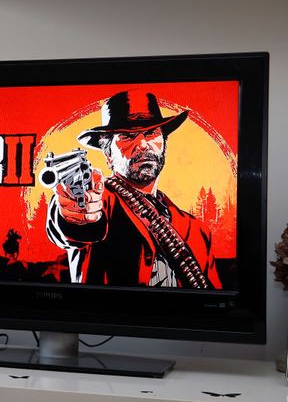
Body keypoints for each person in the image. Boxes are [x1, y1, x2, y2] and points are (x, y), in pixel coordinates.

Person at [46, 90, 222, 289]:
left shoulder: (197, 230)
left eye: (151, 133)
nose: (143, 144)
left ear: (164, 144)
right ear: (108, 154)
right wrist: (76, 215)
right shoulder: (102, 200)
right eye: (127, 136)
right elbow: (77, 222)